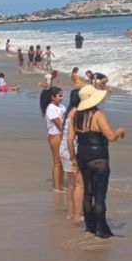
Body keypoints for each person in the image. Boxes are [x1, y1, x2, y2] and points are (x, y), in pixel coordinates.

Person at [67, 85, 125, 238]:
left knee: (88, 192)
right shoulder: (98, 115)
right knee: (99, 195)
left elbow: (70, 139)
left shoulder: (75, 116)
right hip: (99, 157)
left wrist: (73, 159)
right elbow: (110, 136)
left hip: (82, 156)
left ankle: (90, 227)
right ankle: (101, 229)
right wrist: (119, 131)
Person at [59, 89, 84, 222]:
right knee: (79, 184)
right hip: (71, 149)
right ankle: (77, 214)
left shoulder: (69, 111)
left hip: (63, 149)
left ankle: (70, 212)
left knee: (71, 184)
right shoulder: (77, 113)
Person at [41, 86, 66, 192]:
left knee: (63, 162)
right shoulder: (51, 108)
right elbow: (59, 123)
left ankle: (60, 184)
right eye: (59, 96)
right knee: (57, 162)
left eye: (62, 95)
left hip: (62, 135)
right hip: (55, 136)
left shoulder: (62, 106)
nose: (61, 98)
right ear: (52, 97)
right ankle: (56, 187)